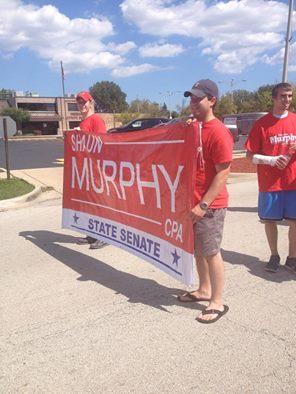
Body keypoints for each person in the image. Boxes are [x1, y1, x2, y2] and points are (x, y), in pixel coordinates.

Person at [178, 79, 233, 324]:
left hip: (210, 205)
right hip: (194, 201)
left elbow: (223, 172)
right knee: (198, 251)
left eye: (197, 99)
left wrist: (203, 205)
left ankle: (217, 302)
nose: (192, 103)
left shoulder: (219, 131)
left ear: (212, 101)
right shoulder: (195, 127)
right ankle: (203, 289)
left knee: (211, 252)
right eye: (190, 99)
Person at [245, 82, 296, 273]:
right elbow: (250, 156)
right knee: (270, 221)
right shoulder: (262, 124)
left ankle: (292, 258)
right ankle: (274, 255)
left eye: (289, 96)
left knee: (295, 221)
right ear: (274, 98)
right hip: (270, 184)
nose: (287, 100)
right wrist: (272, 160)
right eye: (283, 96)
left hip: (293, 182)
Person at [74, 91, 108, 250]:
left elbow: (103, 143)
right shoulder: (84, 121)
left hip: (97, 170)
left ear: (91, 102)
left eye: (84, 102)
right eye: (79, 103)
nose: (81, 105)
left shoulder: (96, 120)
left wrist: (83, 135)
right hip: (86, 171)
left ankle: (105, 236)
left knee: (99, 204)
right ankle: (92, 234)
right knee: (90, 205)